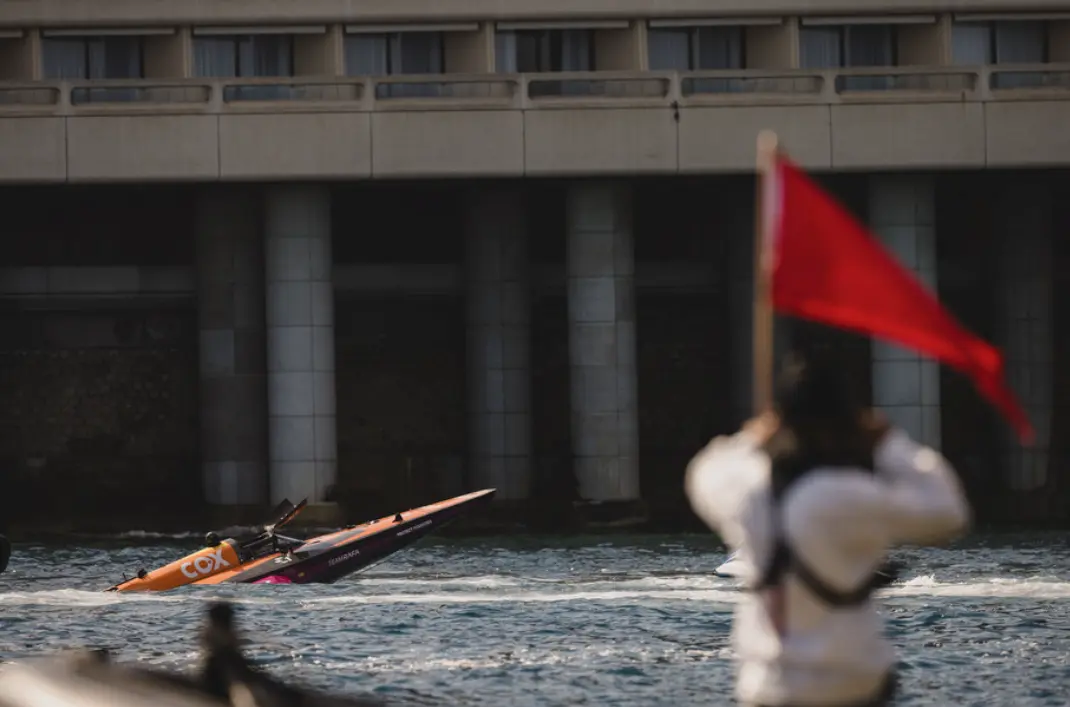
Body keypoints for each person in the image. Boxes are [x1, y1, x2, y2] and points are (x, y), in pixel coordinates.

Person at [685, 346, 971, 706]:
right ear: (850, 421)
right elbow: (948, 512)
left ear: (780, 419)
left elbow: (705, 469)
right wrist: (888, 443)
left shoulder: (745, 490)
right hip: (851, 687)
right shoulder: (851, 493)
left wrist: (753, 438)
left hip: (770, 689)